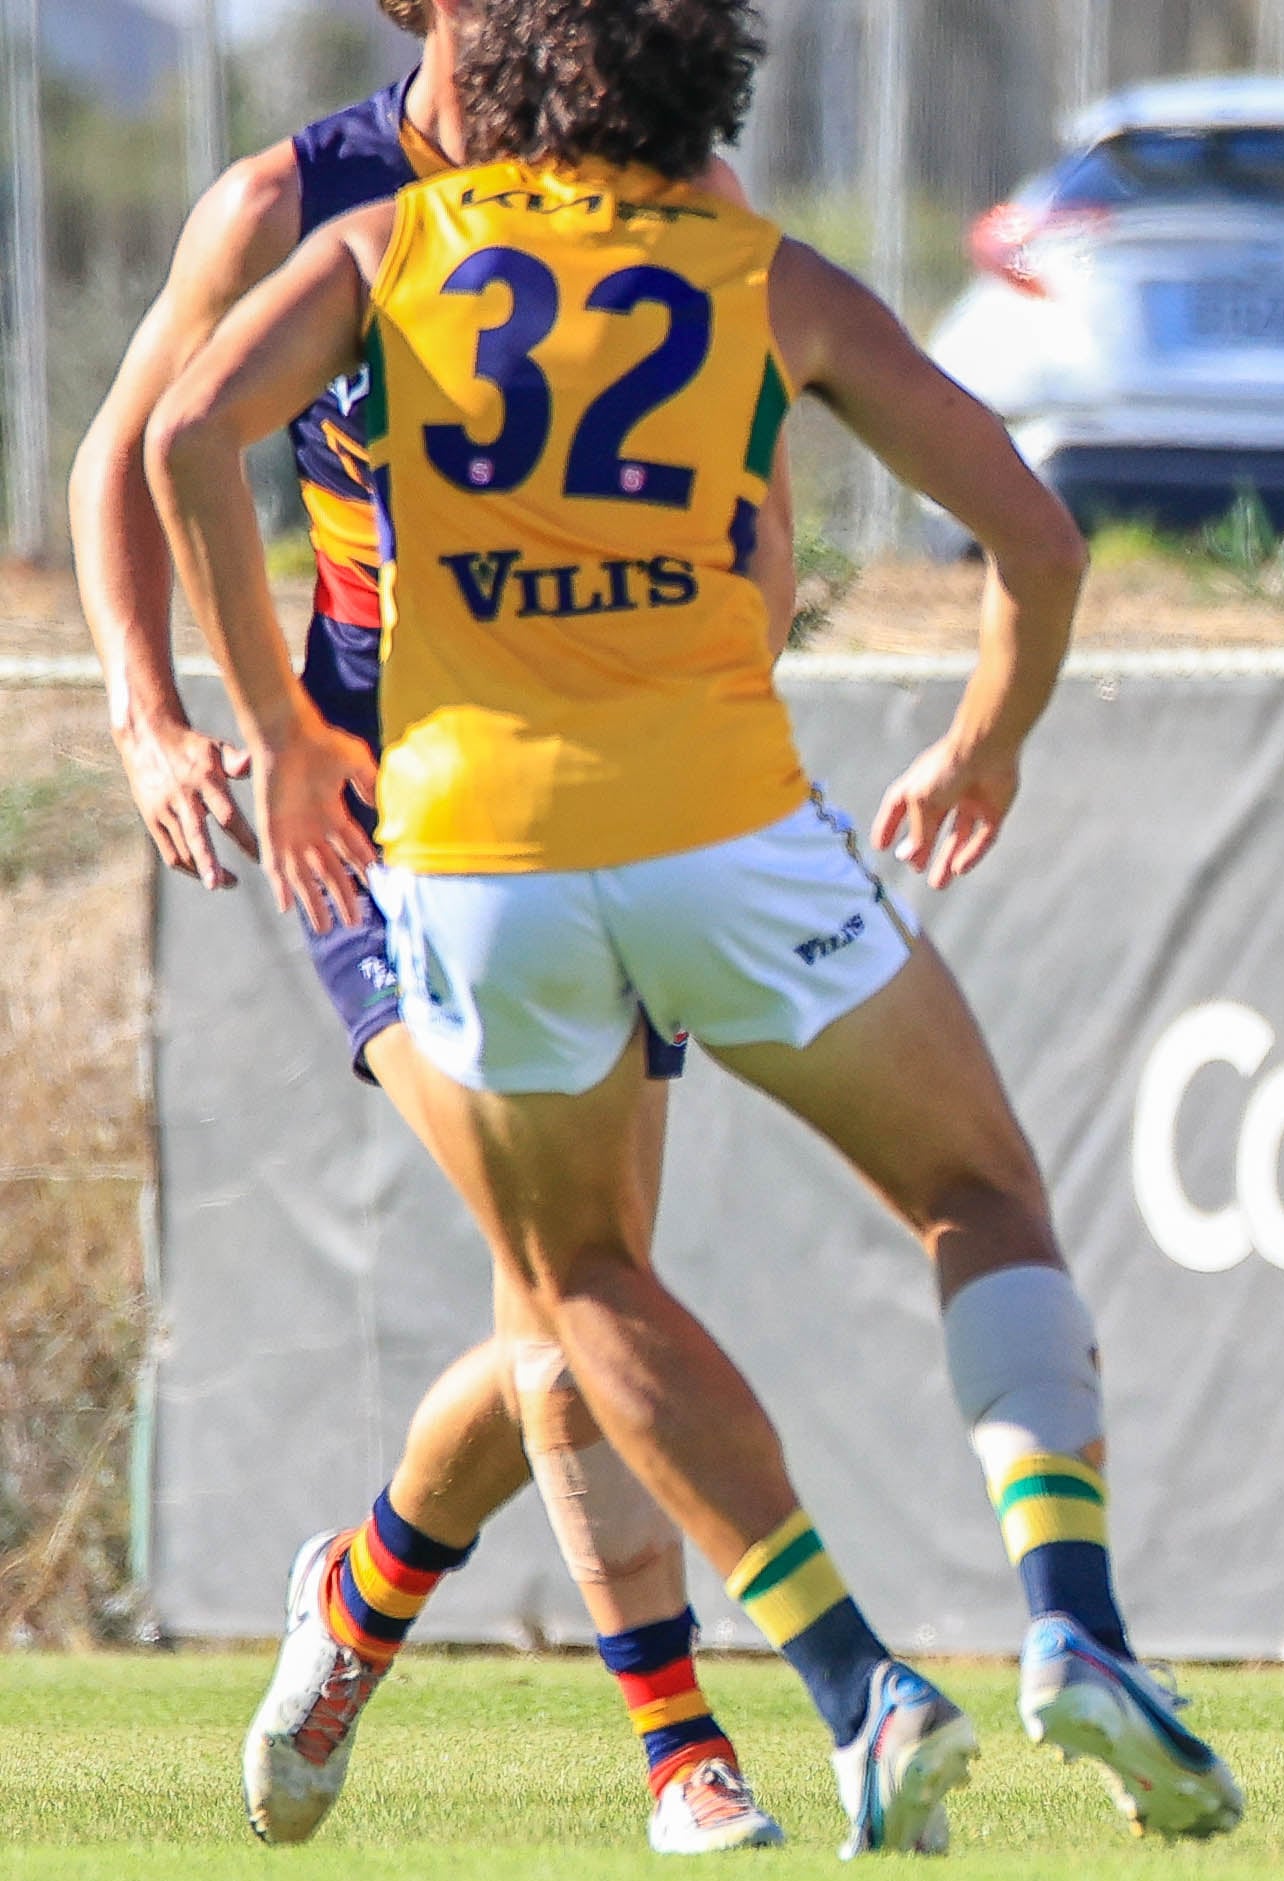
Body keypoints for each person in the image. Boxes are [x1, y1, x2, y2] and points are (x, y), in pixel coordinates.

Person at [144, 0, 1242, 1851]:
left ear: (490, 98)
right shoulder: (760, 274)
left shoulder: (380, 242)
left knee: (579, 1293)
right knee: (976, 1189)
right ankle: (1072, 1624)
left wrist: (276, 733)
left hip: (470, 852)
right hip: (727, 831)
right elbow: (1038, 546)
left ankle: (853, 1685)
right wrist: (983, 743)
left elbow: (183, 434)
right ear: (697, 98)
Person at [65, 0, 792, 1852]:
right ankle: (681, 1744)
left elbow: (759, 479)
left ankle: (361, 1598)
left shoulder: (664, 187)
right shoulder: (289, 203)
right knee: (573, 1294)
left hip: (612, 815)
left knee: (572, 1297)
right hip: (386, 826)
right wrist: (165, 718)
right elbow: (137, 457)